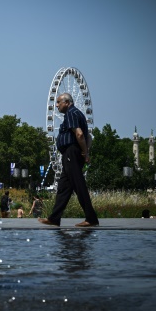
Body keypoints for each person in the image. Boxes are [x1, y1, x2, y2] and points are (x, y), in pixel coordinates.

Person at [38, 93, 99, 227]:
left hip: (72, 152)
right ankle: (54, 218)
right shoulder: (78, 114)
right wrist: (85, 150)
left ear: (67, 102)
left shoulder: (71, 113)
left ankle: (91, 218)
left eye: (59, 102)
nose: (57, 105)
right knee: (64, 187)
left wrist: (85, 152)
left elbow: (80, 134)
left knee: (79, 185)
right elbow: (88, 136)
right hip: (71, 154)